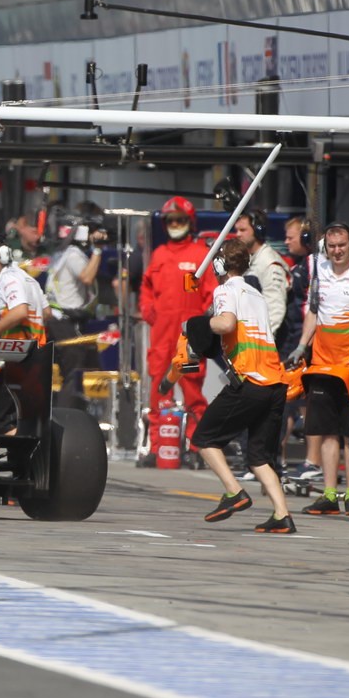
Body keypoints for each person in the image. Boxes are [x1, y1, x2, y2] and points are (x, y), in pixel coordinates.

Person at [284, 222, 349, 517]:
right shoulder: (320, 274)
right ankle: (329, 494)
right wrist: (301, 346)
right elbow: (314, 312)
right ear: (324, 248)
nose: (337, 251)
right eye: (331, 246)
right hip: (322, 364)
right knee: (326, 431)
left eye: (341, 245)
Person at [194, 239, 294, 533]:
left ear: (220, 265)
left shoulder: (225, 290)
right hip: (275, 382)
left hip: (250, 379)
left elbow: (225, 324)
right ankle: (281, 515)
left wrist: (199, 324)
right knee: (259, 455)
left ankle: (233, 492)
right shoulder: (256, 293)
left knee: (204, 439)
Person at [140, 196, 216, 431]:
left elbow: (211, 294)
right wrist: (149, 311)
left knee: (192, 387)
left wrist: (202, 325)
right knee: (159, 388)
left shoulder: (200, 254)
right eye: (170, 220)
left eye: (179, 220)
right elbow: (146, 289)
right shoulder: (159, 255)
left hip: (189, 335)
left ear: (189, 222)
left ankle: (197, 445)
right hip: (162, 335)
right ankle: (157, 444)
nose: (174, 224)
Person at [0, 234, 48, 434]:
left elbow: (19, 312)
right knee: (23, 418)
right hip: (36, 356)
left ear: (3, 255)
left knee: (1, 424)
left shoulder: (9, 279)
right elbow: (47, 312)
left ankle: (24, 449)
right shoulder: (28, 279)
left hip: (18, 357)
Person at [44, 214, 106, 411]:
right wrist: (97, 249)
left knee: (83, 368)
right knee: (74, 373)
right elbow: (87, 277)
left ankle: (81, 414)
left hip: (59, 320)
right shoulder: (73, 255)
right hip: (65, 321)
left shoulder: (60, 254)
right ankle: (67, 418)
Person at [280, 216, 321, 480]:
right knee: (290, 400)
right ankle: (279, 457)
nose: (286, 241)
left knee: (309, 402)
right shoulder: (298, 265)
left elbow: (314, 306)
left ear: (306, 239)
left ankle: (313, 461)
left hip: (307, 342)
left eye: (290, 237)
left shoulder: (314, 264)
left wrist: (305, 344)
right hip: (295, 339)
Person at [235, 210, 289, 338]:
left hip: (262, 343)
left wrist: (261, 340)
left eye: (243, 230)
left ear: (258, 231)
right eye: (236, 230)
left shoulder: (269, 263)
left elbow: (275, 308)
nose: (237, 234)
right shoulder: (248, 259)